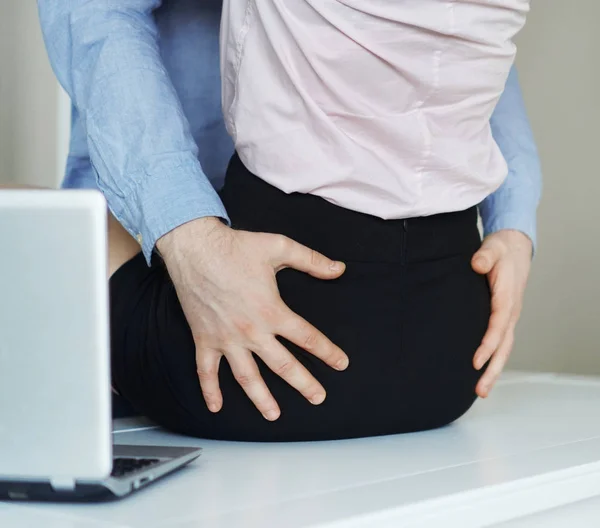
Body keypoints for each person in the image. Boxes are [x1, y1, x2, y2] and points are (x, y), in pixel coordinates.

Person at [38, 0, 541, 441]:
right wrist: (188, 234)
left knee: (33, 225)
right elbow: (450, 40)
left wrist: (513, 216)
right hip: (449, 361)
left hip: (234, 334)